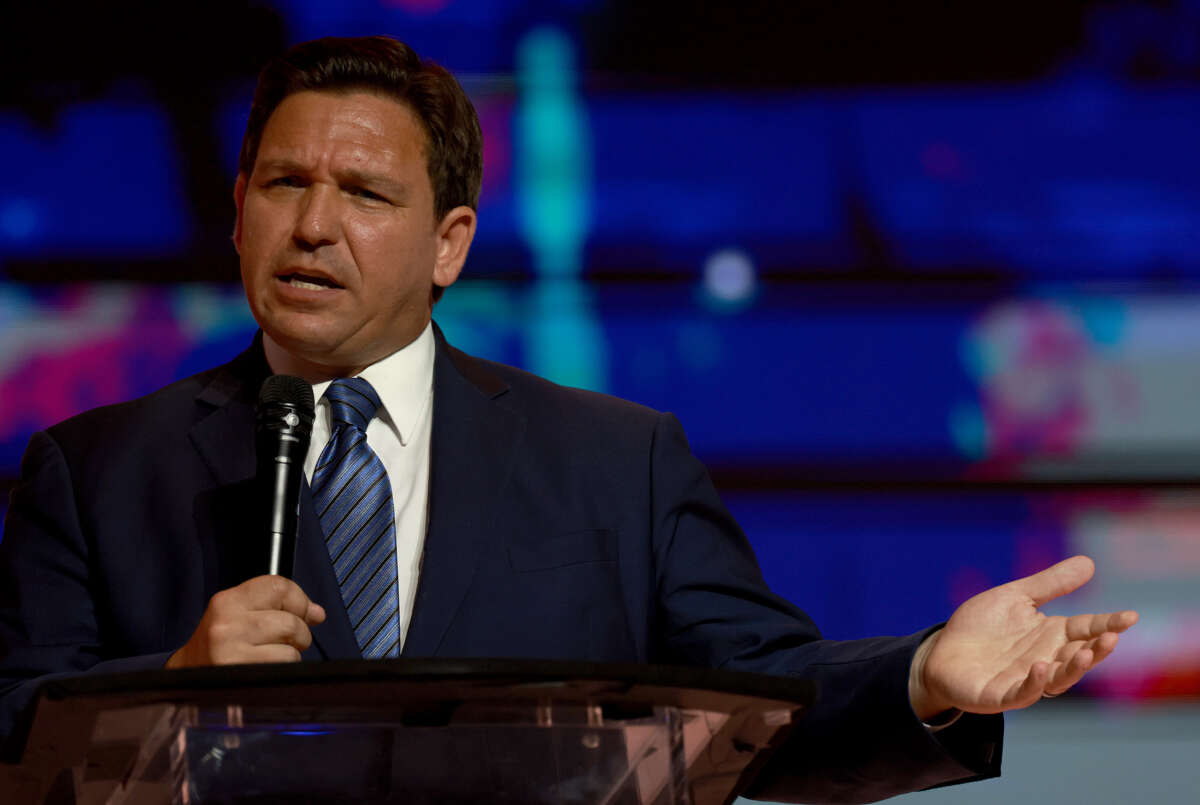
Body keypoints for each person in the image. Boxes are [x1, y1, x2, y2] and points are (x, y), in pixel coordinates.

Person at [0, 36, 1137, 802]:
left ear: (450, 243)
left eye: (365, 194)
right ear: (237, 208)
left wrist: (928, 671)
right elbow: (13, 736)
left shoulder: (616, 462)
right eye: (286, 185)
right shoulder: (95, 469)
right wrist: (170, 682)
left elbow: (759, 696)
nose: (314, 225)